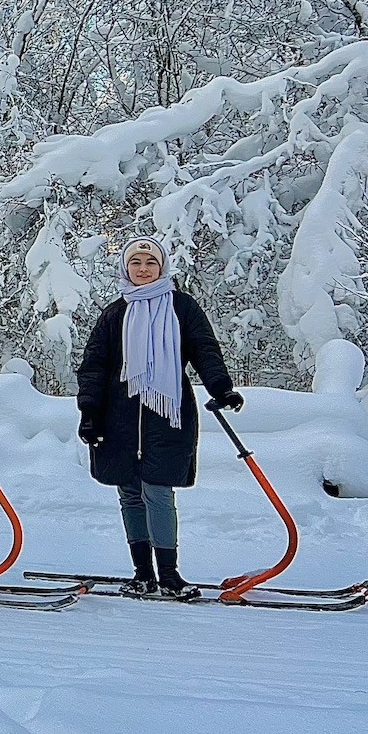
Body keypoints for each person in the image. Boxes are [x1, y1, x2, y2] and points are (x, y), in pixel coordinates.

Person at [76, 238, 241, 600]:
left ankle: (169, 574)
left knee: (158, 491)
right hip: (118, 416)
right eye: (136, 262)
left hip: (168, 413)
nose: (143, 269)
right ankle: (142, 573)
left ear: (162, 266)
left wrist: (221, 388)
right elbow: (94, 366)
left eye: (150, 261)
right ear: (125, 268)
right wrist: (89, 412)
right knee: (129, 493)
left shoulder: (182, 307)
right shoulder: (115, 312)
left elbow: (204, 349)